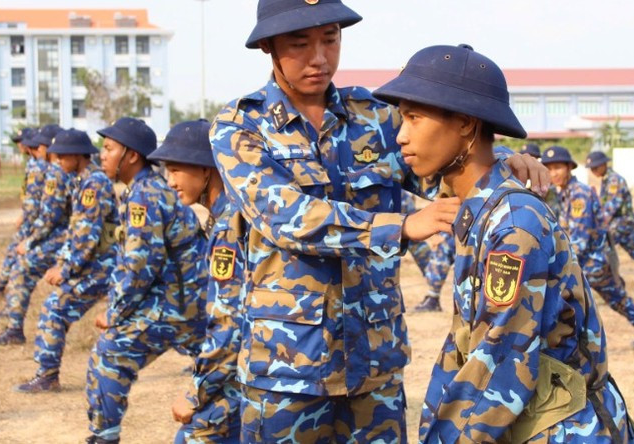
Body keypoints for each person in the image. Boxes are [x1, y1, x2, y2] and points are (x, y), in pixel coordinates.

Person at [210, 2, 549, 441]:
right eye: (300, 44)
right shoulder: (241, 126)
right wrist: (399, 227)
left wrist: (501, 158)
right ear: (268, 47)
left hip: (374, 362)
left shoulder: (374, 117)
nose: (319, 58)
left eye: (330, 39)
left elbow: (440, 155)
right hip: (286, 371)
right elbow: (285, 217)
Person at [373, 44, 634, 443]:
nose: (401, 136)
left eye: (414, 117)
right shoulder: (480, 208)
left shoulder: (512, 225)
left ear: (466, 124)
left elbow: (500, 365)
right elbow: (468, 347)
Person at [85, 117, 209, 444]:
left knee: (110, 352)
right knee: (218, 369)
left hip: (181, 302)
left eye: (109, 148)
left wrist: (115, 313)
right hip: (190, 296)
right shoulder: (146, 189)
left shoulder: (145, 195)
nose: (102, 154)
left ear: (131, 155)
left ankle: (104, 436)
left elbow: (141, 265)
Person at [147, 120, 243, 443]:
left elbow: (229, 324)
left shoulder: (229, 226)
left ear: (206, 169)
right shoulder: (223, 217)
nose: (170, 181)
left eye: (176, 170)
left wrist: (194, 393)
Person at [14, 129, 119, 393]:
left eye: (62, 156)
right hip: (96, 263)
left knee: (55, 308)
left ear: (77, 155)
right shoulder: (83, 180)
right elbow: (76, 231)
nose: (57, 161)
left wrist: (67, 269)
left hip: (103, 266)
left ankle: (47, 377)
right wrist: (62, 262)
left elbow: (87, 235)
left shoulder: (93, 184)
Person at [542, 146, 634, 351]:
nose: (554, 173)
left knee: (607, 301)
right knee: (616, 301)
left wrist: (554, 263)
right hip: (587, 262)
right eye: (549, 169)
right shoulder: (565, 193)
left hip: (592, 264)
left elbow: (579, 241)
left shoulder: (579, 194)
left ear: (569, 168)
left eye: (558, 167)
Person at [0, 124, 71, 346]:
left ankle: (14, 328)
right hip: (65, 235)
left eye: (41, 145)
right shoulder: (57, 170)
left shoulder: (56, 173)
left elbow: (50, 215)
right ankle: (13, 317)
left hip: (62, 237)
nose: (36, 149)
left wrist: (30, 240)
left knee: (22, 269)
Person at [586, 151, 634, 289]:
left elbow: (611, 206)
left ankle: (613, 280)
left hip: (620, 223)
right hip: (621, 223)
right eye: (591, 168)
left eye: (596, 167)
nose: (593, 171)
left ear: (604, 164)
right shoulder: (607, 179)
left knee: (601, 248)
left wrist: (598, 223)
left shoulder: (614, 180)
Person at [0, 127, 39, 300]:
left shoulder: (38, 165)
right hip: (32, 217)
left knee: (19, 254)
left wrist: (25, 216)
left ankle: (3, 288)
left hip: (36, 219)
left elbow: (38, 196)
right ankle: (2, 287)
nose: (19, 145)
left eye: (21, 142)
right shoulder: (32, 162)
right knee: (16, 253)